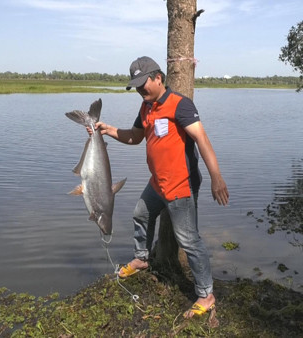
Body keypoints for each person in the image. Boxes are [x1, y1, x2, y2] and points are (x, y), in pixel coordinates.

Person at [87, 56, 229, 318]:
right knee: (140, 213)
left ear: (158, 78)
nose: (141, 90)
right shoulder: (146, 108)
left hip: (181, 186)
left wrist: (216, 177)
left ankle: (206, 294)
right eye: (137, 86)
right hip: (158, 184)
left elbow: (202, 139)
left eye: (144, 84)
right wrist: (108, 130)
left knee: (189, 240)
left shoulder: (180, 105)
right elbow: (135, 137)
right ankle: (141, 258)